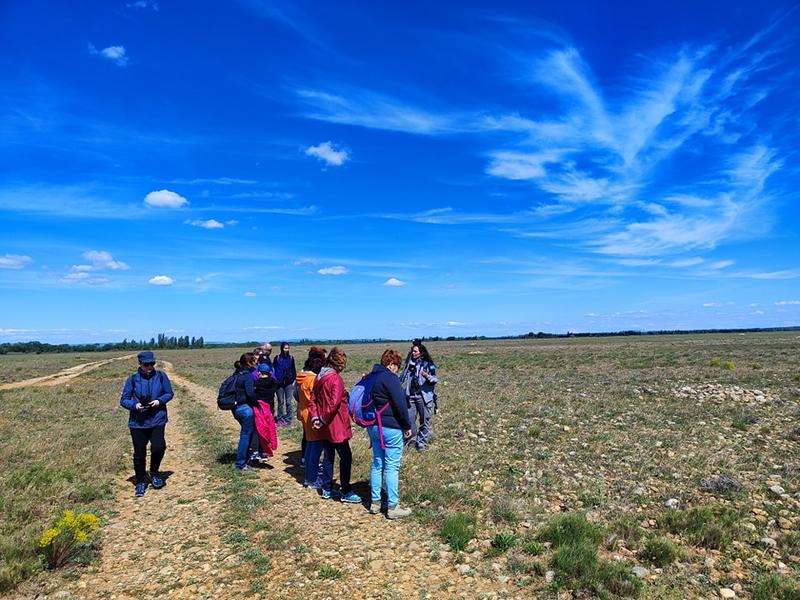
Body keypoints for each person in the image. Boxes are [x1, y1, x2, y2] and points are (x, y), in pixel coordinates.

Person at [119, 351, 175, 497]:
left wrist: (159, 401)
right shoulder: (132, 379)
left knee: (159, 447)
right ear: (140, 364)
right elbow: (124, 399)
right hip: (138, 422)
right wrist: (134, 405)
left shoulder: (161, 376)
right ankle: (140, 481)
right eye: (146, 364)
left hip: (157, 418)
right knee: (139, 454)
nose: (150, 367)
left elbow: (169, 393)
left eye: (152, 364)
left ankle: (154, 473)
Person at [309, 347, 361, 503]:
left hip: (323, 425)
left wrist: (316, 418)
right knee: (346, 456)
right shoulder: (335, 379)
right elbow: (334, 403)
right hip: (336, 424)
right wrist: (324, 418)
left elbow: (312, 399)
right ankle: (346, 490)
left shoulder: (319, 376)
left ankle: (327, 488)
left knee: (328, 455)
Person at [366, 349, 413, 518]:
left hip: (373, 427)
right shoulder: (390, 378)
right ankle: (393, 507)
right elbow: (400, 404)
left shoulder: (372, 376)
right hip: (390, 428)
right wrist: (407, 425)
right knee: (392, 467)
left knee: (378, 463)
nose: (397, 370)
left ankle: (375, 503)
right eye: (397, 366)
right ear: (392, 364)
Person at [296, 347, 326, 486]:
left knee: (309, 445)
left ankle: (309, 476)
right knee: (316, 447)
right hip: (312, 414)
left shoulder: (302, 376)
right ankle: (312, 479)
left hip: (304, 412)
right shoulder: (313, 379)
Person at [400, 341, 438, 451]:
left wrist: (427, 376)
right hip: (411, 396)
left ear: (421, 352)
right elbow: (402, 377)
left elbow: (435, 379)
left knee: (424, 422)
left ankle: (421, 444)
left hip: (423, 397)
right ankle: (409, 441)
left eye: (415, 351)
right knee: (409, 421)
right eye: (412, 351)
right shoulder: (410, 364)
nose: (413, 353)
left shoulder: (428, 364)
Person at [232, 352, 258, 471]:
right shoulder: (247, 375)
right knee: (245, 436)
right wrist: (257, 404)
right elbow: (250, 393)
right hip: (246, 409)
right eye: (254, 360)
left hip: (236, 407)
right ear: (249, 363)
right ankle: (240, 464)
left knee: (247, 434)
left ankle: (245, 460)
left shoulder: (237, 373)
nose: (256, 362)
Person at [252, 363, 278, 463]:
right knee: (268, 429)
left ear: (259, 372)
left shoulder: (256, 383)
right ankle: (265, 452)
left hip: (259, 409)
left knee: (258, 430)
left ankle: (257, 451)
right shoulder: (273, 382)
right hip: (269, 409)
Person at [273, 342, 297, 426]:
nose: (286, 350)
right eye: (285, 348)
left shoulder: (291, 358)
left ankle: (288, 418)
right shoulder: (277, 358)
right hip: (279, 383)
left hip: (288, 383)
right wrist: (275, 380)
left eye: (288, 348)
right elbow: (274, 369)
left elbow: (293, 370)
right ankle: (280, 418)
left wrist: (293, 379)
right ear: (281, 348)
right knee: (280, 401)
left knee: (288, 401)